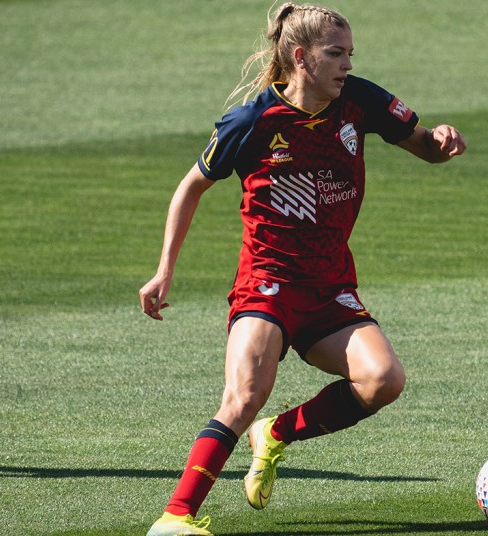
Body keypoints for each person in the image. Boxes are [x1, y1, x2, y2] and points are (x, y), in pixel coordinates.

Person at [138, 3, 466, 535]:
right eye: (335, 54)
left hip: (331, 286)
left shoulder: (360, 100)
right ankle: (176, 517)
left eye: (350, 54)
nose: (347, 65)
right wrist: (164, 271)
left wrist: (443, 141)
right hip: (266, 285)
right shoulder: (252, 122)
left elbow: (426, 147)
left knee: (384, 380)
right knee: (244, 396)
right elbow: (190, 187)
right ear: (300, 57)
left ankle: (276, 434)